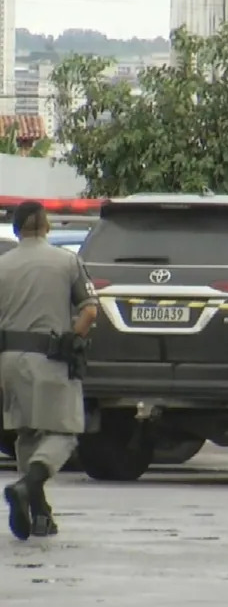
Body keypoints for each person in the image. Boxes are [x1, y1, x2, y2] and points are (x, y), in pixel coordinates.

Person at [0, 201, 99, 540]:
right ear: (46, 227)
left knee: (27, 434)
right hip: (50, 359)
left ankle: (39, 513)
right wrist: (75, 339)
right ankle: (27, 486)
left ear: (16, 229)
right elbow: (89, 310)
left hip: (9, 361)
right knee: (63, 432)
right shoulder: (67, 261)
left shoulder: (2, 265)